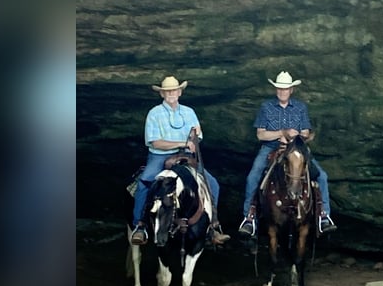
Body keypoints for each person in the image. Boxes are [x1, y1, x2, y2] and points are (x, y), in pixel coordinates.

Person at [130, 76, 230, 246]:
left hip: (185, 157)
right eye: (168, 91)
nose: (171, 94)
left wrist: (194, 137)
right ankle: (140, 225)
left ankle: (212, 227)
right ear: (162, 94)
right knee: (145, 182)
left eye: (174, 90)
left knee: (212, 184)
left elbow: (198, 134)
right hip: (160, 157)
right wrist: (181, 143)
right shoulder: (154, 113)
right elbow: (155, 142)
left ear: (180, 92)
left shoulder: (189, 112)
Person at [238, 71, 337, 237]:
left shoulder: (300, 107)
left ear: (291, 90)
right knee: (253, 176)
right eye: (279, 88)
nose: (282, 92)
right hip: (271, 148)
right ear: (276, 90)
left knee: (322, 176)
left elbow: (305, 131)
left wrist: (296, 135)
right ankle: (249, 217)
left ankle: (323, 216)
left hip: (296, 148)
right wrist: (282, 133)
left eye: (285, 89)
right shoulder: (266, 107)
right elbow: (261, 134)